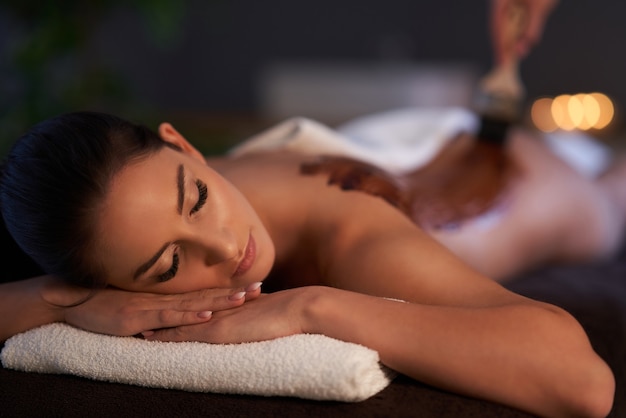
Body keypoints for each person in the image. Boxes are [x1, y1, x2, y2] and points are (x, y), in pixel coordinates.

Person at [0, 111, 617, 417]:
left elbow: (584, 385)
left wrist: (310, 305)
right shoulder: (133, 206)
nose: (223, 248)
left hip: (522, 182)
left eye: (198, 198)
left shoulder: (349, 235)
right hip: (386, 140)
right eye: (168, 265)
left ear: (182, 144)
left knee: (613, 198)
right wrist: (69, 301)